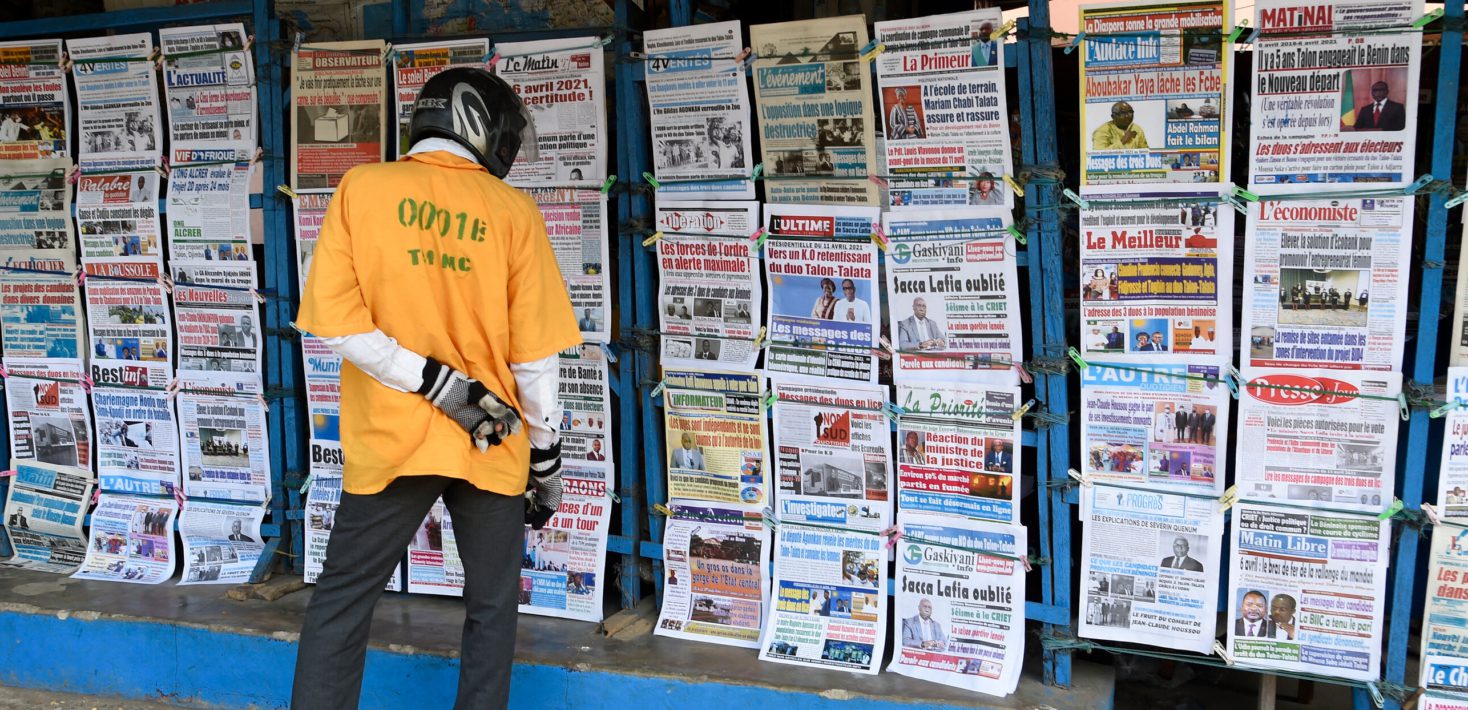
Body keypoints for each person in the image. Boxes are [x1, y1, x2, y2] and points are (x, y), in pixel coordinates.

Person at [290, 68, 580, 710]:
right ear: (481, 125)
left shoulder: (362, 189)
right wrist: (547, 456)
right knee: (493, 609)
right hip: (493, 440)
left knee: (341, 603)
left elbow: (338, 327)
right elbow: (534, 361)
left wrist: (432, 382)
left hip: (391, 443)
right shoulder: (513, 212)